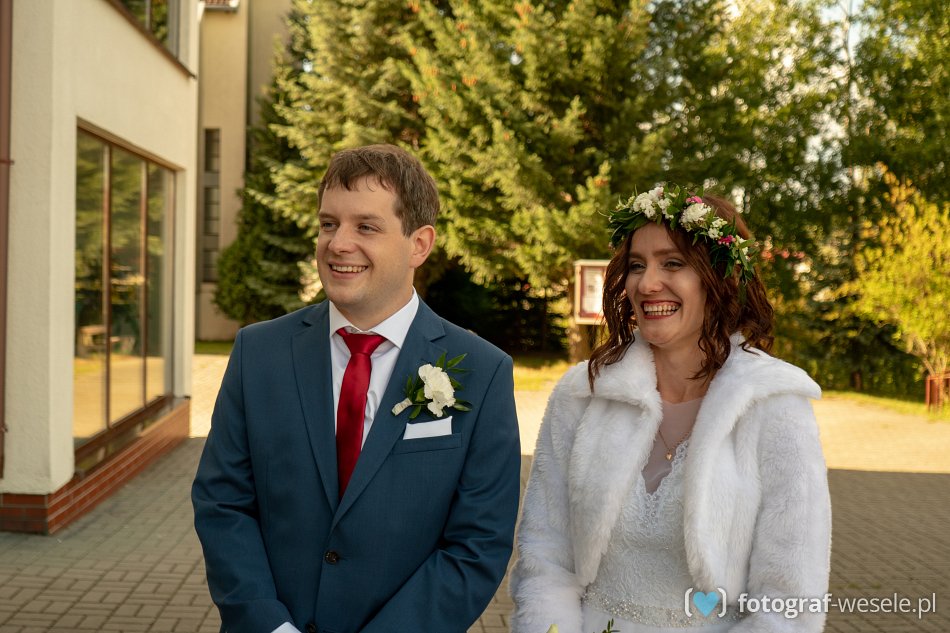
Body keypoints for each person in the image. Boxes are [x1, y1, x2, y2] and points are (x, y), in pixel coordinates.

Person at [192, 144, 521, 633]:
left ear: (419, 244)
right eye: (329, 224)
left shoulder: (481, 371)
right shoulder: (258, 353)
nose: (338, 243)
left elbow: (477, 544)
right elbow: (223, 504)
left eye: (366, 227)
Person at [510, 185, 831, 633]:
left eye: (673, 263)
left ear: (719, 277)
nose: (646, 283)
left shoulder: (774, 403)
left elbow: (789, 600)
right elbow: (544, 560)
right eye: (636, 265)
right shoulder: (582, 394)